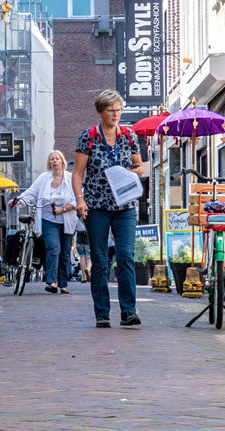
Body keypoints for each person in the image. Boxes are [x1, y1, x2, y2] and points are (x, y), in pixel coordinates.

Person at [73, 90, 145, 328]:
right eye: (111, 110)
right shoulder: (89, 137)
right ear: (100, 111)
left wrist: (137, 171)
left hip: (125, 205)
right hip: (97, 205)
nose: (116, 114)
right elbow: (78, 173)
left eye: (119, 110)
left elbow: (140, 166)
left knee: (125, 256)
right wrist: (80, 199)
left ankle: (128, 311)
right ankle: (102, 313)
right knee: (100, 260)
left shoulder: (129, 135)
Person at [18, 150, 83, 294]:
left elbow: (78, 198)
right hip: (48, 219)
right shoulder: (43, 178)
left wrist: (63, 209)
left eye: (57, 159)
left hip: (67, 220)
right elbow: (32, 192)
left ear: (62, 162)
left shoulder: (71, 178)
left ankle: (63, 284)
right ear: (49, 163)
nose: (54, 161)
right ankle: (52, 282)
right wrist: (19, 201)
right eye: (52, 159)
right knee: (54, 248)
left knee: (65, 253)